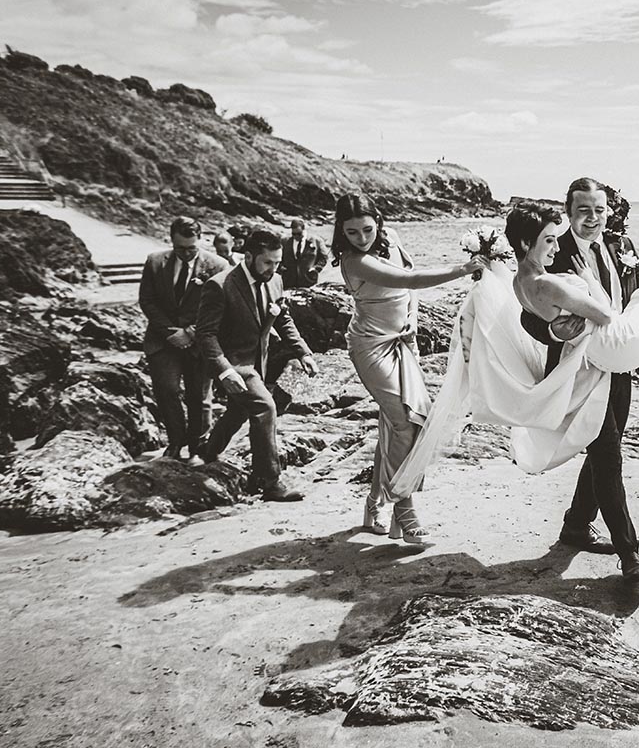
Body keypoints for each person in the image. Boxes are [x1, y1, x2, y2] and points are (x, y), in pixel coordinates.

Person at [385, 178, 639, 584]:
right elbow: (528, 317)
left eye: (599, 210)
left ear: (608, 211)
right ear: (569, 212)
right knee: (608, 455)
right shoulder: (554, 251)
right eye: (583, 211)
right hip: (582, 367)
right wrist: (554, 331)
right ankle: (629, 552)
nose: (592, 219)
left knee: (606, 447)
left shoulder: (621, 246)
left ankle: (576, 524)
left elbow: (635, 294)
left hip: (620, 360)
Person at [332, 193, 489, 542]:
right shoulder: (354, 260)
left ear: (378, 222)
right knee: (406, 424)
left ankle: (374, 503)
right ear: (341, 232)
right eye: (352, 232)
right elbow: (411, 280)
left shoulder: (392, 238)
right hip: (372, 347)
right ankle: (404, 511)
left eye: (367, 229)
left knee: (393, 426)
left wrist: (412, 323)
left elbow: (409, 291)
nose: (362, 238)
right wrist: (462, 269)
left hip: (404, 342)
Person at [195, 228, 320, 501]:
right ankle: (270, 482)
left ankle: (208, 451)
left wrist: (303, 352)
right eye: (267, 263)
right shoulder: (220, 285)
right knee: (265, 407)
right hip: (233, 364)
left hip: (259, 362)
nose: (273, 269)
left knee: (238, 411)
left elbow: (283, 318)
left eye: (277, 263)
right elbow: (205, 334)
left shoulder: (275, 280)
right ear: (249, 256)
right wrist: (225, 370)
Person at [139, 217, 230, 459]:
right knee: (167, 390)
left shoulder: (219, 266)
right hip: (164, 340)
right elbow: (147, 300)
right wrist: (170, 332)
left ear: (201, 240)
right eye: (180, 248)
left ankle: (197, 446)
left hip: (200, 342)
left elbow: (221, 308)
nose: (187, 253)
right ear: (171, 241)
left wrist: (190, 332)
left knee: (199, 396)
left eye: (192, 248)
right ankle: (175, 443)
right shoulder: (155, 262)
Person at [280, 218, 328, 289]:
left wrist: (316, 269)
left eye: (299, 234)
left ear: (304, 230)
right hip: (288, 282)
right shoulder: (285, 241)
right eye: (294, 234)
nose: (296, 236)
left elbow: (324, 258)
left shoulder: (316, 241)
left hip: (309, 282)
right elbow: (277, 256)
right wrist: (281, 268)